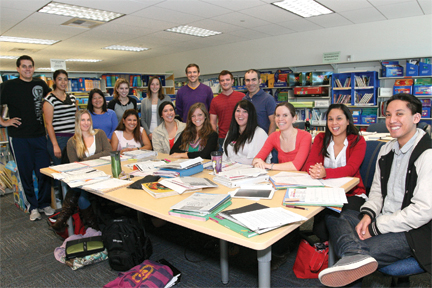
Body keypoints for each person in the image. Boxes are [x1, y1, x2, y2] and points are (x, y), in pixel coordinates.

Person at [319, 94, 432, 287]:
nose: (391, 120)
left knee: (355, 262)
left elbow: (422, 211)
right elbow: (377, 193)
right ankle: (353, 253)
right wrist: (368, 217)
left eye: (399, 114)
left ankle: (353, 254)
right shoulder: (386, 150)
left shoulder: (427, 155)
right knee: (334, 214)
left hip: (414, 231)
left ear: (416, 118)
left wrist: (376, 227)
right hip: (383, 218)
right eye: (388, 115)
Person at [0, 55, 54, 221]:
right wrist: (4, 121)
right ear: (18, 69)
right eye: (24, 66)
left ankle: (45, 203)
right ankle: (33, 207)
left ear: (33, 67)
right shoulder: (8, 86)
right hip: (19, 137)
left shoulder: (41, 84)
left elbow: (51, 102)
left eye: (30, 66)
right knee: (25, 173)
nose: (27, 69)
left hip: (39, 135)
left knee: (43, 171)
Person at [303, 104, 366, 242]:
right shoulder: (320, 138)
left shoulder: (358, 141)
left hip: (352, 193)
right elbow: (310, 164)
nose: (334, 123)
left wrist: (325, 173)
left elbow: (351, 169)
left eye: (339, 118)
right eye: (330, 119)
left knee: (336, 224)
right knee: (320, 230)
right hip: (326, 194)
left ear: (348, 121)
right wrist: (315, 170)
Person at [49, 110, 111, 232]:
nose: (86, 123)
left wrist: (86, 160)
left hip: (104, 174)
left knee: (77, 192)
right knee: (82, 197)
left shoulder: (99, 134)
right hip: (85, 177)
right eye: (83, 120)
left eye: (88, 120)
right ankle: (95, 229)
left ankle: (62, 218)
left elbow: (108, 152)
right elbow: (75, 166)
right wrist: (93, 159)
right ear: (77, 122)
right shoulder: (72, 142)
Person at [253, 102, 311, 171]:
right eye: (277, 115)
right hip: (282, 177)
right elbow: (257, 158)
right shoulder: (274, 136)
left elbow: (295, 167)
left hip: (303, 178)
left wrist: (267, 165)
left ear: (294, 118)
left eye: (285, 115)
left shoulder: (305, 136)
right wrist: (257, 163)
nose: (280, 119)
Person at [43, 69, 77, 165]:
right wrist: (55, 145)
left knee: (74, 168)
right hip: (59, 139)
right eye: (60, 79)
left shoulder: (72, 98)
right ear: (54, 81)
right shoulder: (49, 99)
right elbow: (48, 124)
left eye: (65, 79)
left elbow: (76, 118)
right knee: (62, 170)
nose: (63, 82)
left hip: (74, 138)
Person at [222, 100, 269, 165]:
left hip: (251, 172)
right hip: (231, 170)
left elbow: (262, 161)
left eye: (245, 111)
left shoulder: (260, 133)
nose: (240, 114)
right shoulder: (231, 132)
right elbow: (225, 157)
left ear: (251, 114)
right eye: (238, 111)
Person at [210, 70, 245, 149]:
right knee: (222, 161)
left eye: (227, 80)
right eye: (222, 80)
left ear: (232, 81)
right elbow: (213, 122)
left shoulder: (242, 97)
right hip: (222, 138)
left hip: (240, 136)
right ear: (219, 82)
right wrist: (214, 139)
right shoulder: (215, 100)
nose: (225, 82)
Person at [243, 69, 276, 134]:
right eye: (248, 80)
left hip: (263, 140)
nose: (250, 83)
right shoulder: (244, 100)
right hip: (248, 140)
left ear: (260, 81)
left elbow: (273, 122)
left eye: (253, 80)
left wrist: (268, 141)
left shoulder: (268, 99)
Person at [140, 76, 172, 141]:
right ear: (149, 86)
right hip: (149, 134)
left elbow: (170, 116)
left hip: (164, 133)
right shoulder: (144, 101)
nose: (155, 87)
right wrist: (149, 133)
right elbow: (142, 119)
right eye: (152, 84)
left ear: (160, 86)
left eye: (157, 84)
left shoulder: (166, 99)